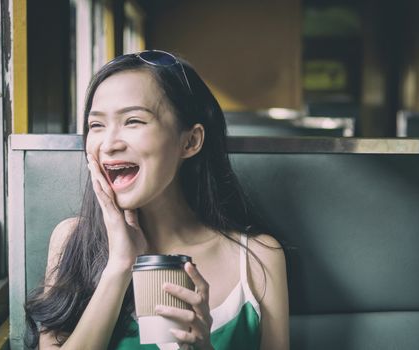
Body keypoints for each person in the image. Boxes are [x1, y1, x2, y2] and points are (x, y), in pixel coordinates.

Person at [25, 50, 289, 350]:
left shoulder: (259, 257)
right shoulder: (71, 238)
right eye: (96, 125)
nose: (109, 144)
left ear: (190, 141)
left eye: (133, 121)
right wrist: (120, 265)